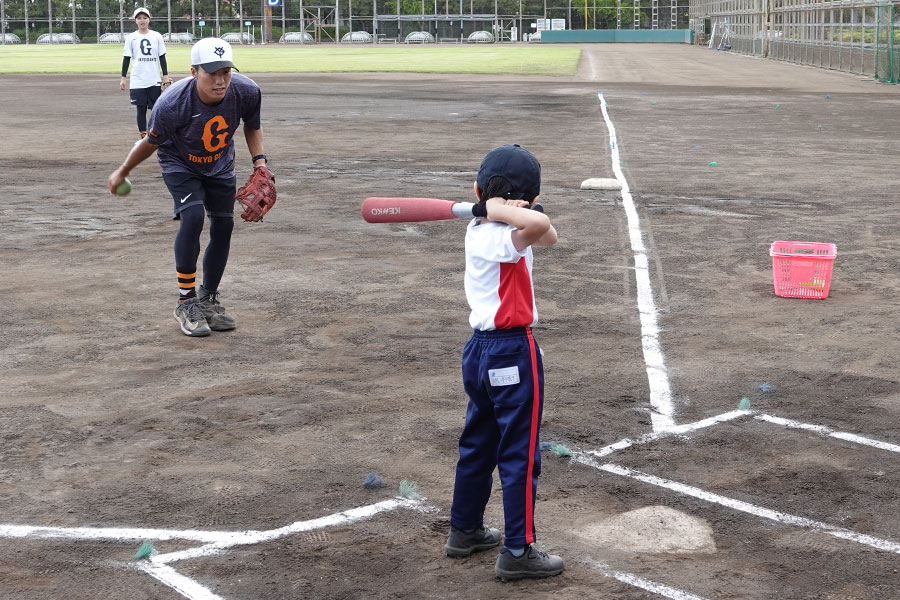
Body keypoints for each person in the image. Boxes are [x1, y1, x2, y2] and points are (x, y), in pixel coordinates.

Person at [444, 144, 564, 582]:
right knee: (519, 452)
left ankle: (466, 530)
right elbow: (540, 224)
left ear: (477, 188)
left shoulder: (485, 226)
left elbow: (547, 233)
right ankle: (518, 550)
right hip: (512, 351)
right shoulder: (496, 231)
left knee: (479, 442)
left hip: (479, 351)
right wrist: (512, 210)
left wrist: (506, 209)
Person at [107, 38, 270, 337]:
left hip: (220, 164)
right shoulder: (171, 104)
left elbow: (252, 124)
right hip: (179, 163)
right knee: (193, 217)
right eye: (211, 73)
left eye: (225, 72)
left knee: (224, 226)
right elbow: (150, 143)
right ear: (194, 72)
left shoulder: (247, 91)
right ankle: (186, 301)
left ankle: (208, 298)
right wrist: (123, 170)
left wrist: (260, 162)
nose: (220, 81)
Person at [120, 7, 171, 139]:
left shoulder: (157, 36)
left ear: (149, 19)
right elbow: (126, 58)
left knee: (156, 108)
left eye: (145, 18)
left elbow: (162, 57)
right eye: (139, 18)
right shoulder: (131, 38)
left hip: (153, 78)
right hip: (138, 79)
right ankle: (144, 136)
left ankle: (155, 133)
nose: (142, 20)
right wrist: (123, 78)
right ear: (135, 21)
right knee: (140, 108)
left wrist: (165, 75)